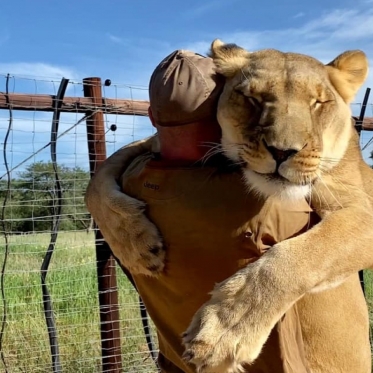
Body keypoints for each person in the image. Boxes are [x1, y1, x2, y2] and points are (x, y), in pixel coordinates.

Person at [86, 50, 316, 373]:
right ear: (223, 112)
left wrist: (97, 187)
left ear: (152, 117)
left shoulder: (126, 189)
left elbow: (145, 150)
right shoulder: (261, 202)